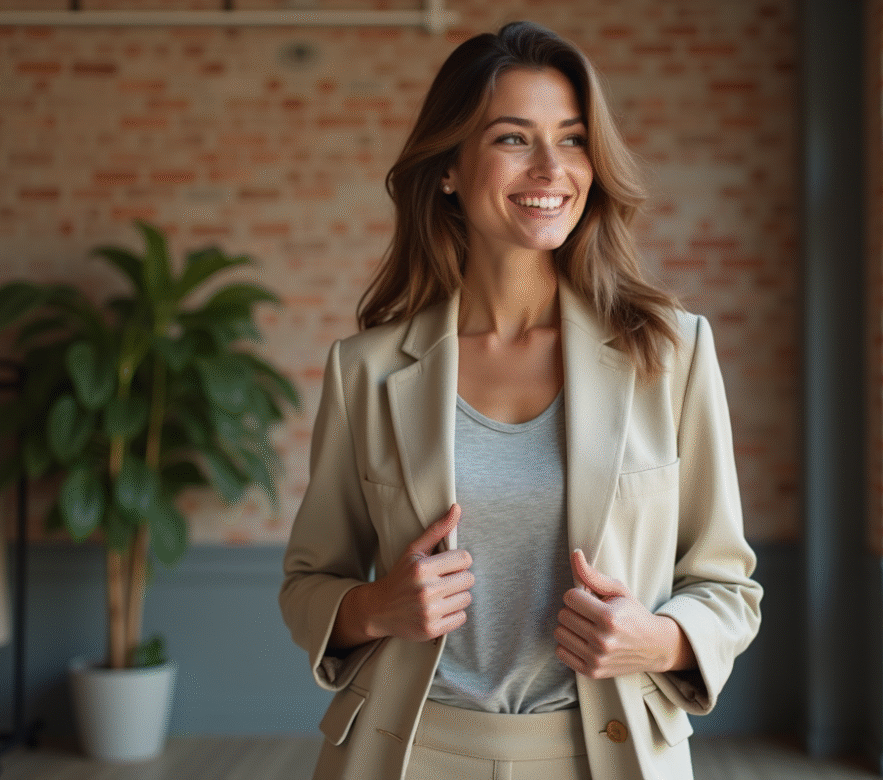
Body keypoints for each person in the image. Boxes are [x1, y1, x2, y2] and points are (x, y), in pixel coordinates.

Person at [279, 20, 762, 780]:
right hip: (409, 754)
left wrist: (658, 640)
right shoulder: (365, 371)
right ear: (448, 168)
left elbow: (727, 586)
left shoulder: (669, 353)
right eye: (513, 138)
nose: (551, 168)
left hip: (607, 758)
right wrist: (375, 607)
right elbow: (308, 583)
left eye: (572, 140)